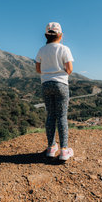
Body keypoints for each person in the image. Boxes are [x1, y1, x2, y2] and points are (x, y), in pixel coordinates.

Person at [35, 22, 74, 161]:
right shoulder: (65, 49)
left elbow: (38, 69)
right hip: (61, 84)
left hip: (46, 84)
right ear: (61, 35)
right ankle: (64, 150)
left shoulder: (41, 50)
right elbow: (69, 69)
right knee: (62, 116)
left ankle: (51, 148)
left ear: (46, 35)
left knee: (51, 115)